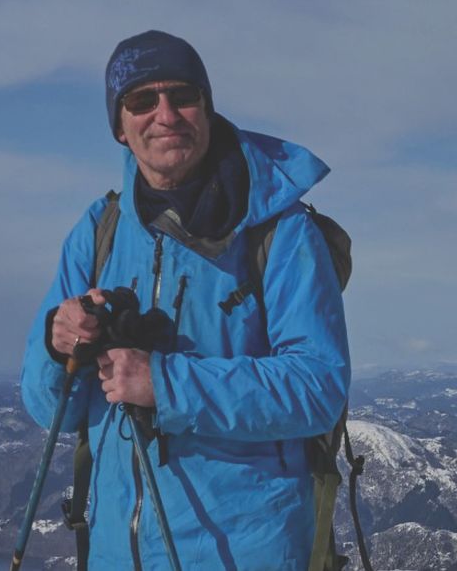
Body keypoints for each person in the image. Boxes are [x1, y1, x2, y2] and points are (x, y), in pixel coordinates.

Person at [20, 29, 350, 570]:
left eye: (183, 95)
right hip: (114, 553)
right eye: (142, 100)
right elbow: (45, 406)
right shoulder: (97, 231)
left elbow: (318, 387)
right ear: (120, 127)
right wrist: (62, 347)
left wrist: (165, 383)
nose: (166, 114)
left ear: (207, 108)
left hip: (245, 552)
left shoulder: (279, 232)